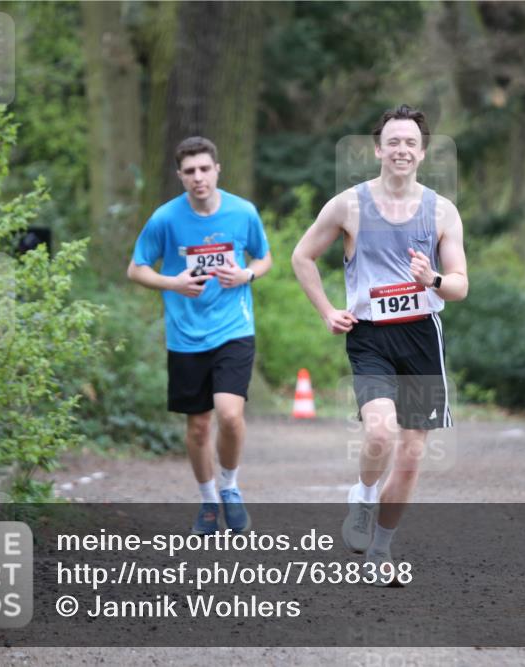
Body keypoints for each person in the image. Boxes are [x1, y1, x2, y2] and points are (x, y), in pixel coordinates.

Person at [291, 105, 468, 584]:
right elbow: (302, 257)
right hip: (370, 338)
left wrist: (430, 277)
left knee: (411, 457)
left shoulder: (441, 211)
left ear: (423, 152)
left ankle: (382, 551)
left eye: (411, 142)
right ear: (378, 149)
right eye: (394, 141)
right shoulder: (349, 205)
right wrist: (328, 310)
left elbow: (459, 284)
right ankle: (364, 499)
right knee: (379, 434)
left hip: (421, 338)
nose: (402, 150)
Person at [128, 136, 272, 535]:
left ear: (217, 170)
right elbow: (136, 268)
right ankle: (208, 499)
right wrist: (171, 284)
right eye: (189, 171)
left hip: (234, 328)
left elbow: (264, 256)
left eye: (204, 169)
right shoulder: (165, 219)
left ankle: (230, 487)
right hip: (186, 335)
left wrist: (247, 274)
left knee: (229, 414)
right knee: (198, 427)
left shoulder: (243, 212)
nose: (198, 177)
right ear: (180, 176)